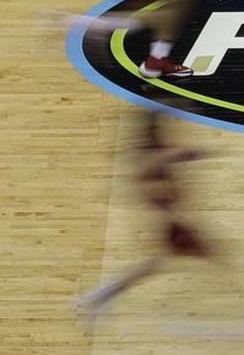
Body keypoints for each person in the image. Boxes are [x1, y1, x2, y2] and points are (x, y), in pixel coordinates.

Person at [75, 108, 212, 318]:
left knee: (156, 264)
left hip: (169, 217)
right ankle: (98, 297)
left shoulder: (150, 155)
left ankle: (100, 297)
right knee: (209, 257)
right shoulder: (152, 158)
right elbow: (169, 160)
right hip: (169, 220)